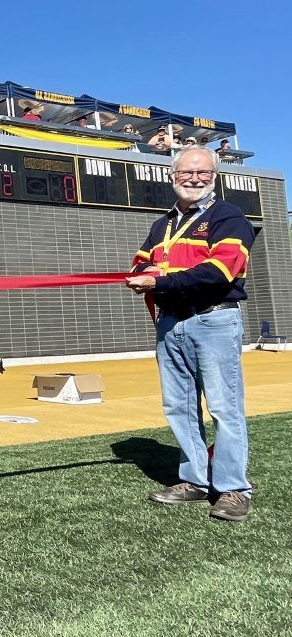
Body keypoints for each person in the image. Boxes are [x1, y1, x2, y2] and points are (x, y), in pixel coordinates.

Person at [125, 146, 255, 522]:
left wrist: (159, 279)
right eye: (186, 173)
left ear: (214, 178)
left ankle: (233, 489)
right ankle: (195, 481)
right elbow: (141, 262)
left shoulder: (228, 217)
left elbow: (219, 271)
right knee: (179, 406)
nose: (195, 179)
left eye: (204, 173)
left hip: (213, 321)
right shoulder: (161, 224)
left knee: (224, 408)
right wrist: (145, 276)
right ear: (172, 176)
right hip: (171, 322)